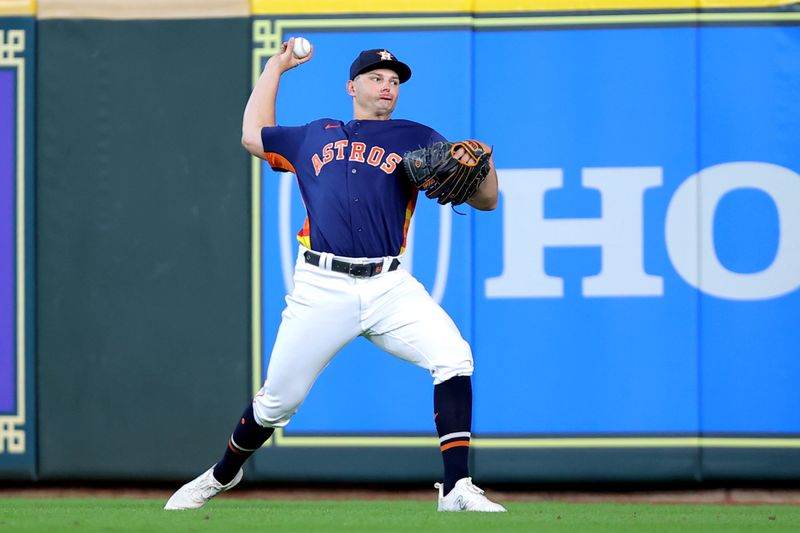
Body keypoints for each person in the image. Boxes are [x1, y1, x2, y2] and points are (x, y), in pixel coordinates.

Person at [164, 40, 505, 513]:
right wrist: (274, 68)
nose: (387, 86)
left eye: (394, 81)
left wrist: (485, 163)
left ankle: (456, 489)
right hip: (322, 287)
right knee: (276, 404)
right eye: (376, 78)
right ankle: (221, 474)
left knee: (454, 357)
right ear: (352, 86)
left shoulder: (417, 136)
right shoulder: (315, 135)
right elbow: (251, 135)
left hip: (389, 285)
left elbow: (486, 200)